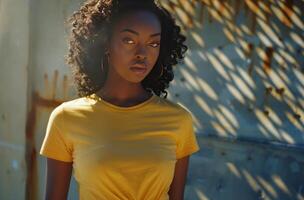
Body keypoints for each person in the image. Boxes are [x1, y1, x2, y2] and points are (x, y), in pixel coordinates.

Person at [39, 0, 200, 199]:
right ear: (105, 43)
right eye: (129, 40)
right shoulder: (66, 118)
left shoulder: (178, 120)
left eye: (153, 43)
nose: (142, 54)